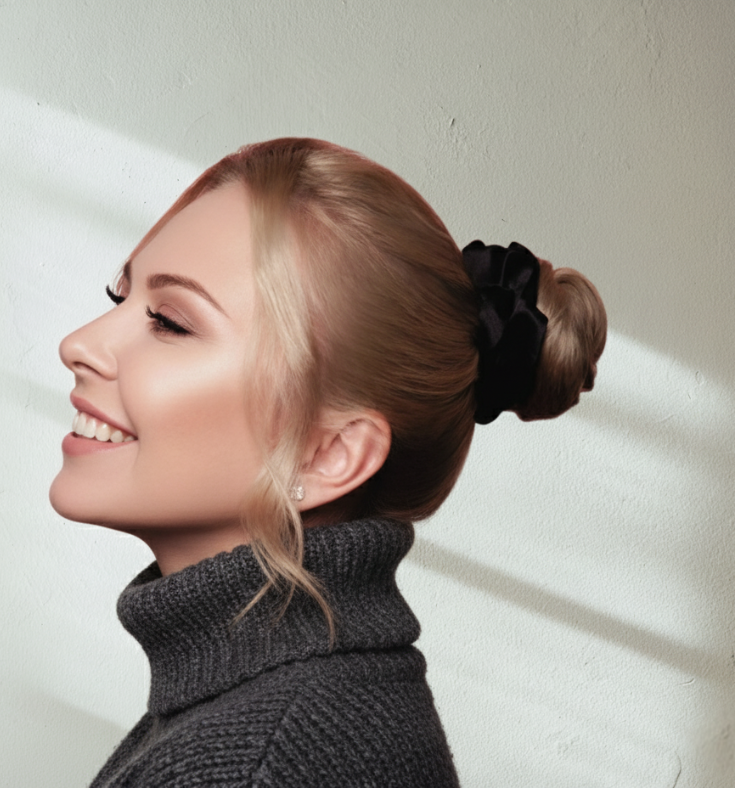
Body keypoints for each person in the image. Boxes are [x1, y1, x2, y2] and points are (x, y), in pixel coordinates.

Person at [49, 138, 607, 787]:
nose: (79, 343)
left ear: (329, 454)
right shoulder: (304, 706)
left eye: (170, 322)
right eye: (120, 297)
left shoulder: (249, 763)